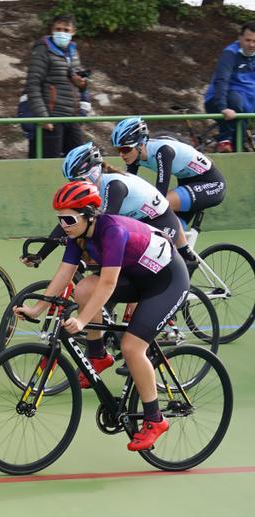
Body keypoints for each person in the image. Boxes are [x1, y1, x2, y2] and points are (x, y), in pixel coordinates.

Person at [15, 182, 187, 451]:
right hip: (136, 277)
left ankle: (155, 419)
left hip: (166, 282)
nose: (63, 225)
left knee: (132, 347)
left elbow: (107, 284)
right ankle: (97, 354)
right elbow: (65, 272)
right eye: (59, 219)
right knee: (83, 289)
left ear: (88, 214)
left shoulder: (113, 231)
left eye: (69, 219)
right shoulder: (78, 235)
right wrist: (37, 308)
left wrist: (83, 321)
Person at [26, 143, 193, 266]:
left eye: (80, 179)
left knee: (128, 265)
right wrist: (41, 255)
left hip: (160, 221)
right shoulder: (89, 192)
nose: (76, 185)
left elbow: (103, 225)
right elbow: (69, 220)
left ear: (95, 171)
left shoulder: (115, 186)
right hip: (139, 223)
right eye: (72, 181)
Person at [112, 117, 226, 229]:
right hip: (187, 183)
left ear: (141, 145)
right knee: (168, 234)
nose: (122, 154)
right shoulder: (134, 157)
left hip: (211, 184)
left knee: (159, 205)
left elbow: (160, 194)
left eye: (125, 149)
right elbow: (129, 186)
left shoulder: (163, 151)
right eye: (118, 150)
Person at [24, 14, 89, 158]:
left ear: (73, 32)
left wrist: (82, 84)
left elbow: (80, 85)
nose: (62, 33)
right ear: (52, 30)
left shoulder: (73, 51)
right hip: (51, 117)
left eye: (66, 30)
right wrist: (43, 117)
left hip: (72, 117)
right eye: (58, 29)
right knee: (50, 162)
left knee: (80, 160)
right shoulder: (42, 50)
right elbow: (32, 85)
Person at [203, 21, 255, 153]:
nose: (251, 45)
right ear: (240, 38)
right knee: (236, 101)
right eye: (248, 40)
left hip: (247, 104)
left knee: (241, 111)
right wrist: (223, 108)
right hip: (221, 100)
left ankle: (237, 147)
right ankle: (227, 143)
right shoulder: (230, 53)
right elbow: (222, 81)